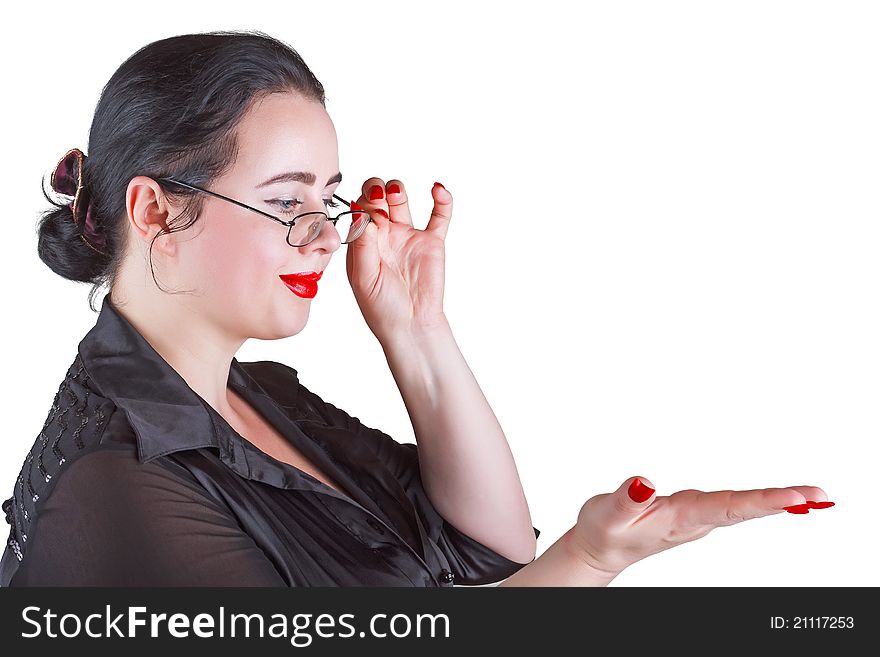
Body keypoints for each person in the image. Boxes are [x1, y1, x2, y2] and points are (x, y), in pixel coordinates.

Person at [0, 30, 832, 587]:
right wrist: (590, 556)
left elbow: (490, 558)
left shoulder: (268, 398)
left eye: (328, 201)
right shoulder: (110, 484)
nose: (324, 239)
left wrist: (415, 328)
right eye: (286, 201)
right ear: (155, 212)